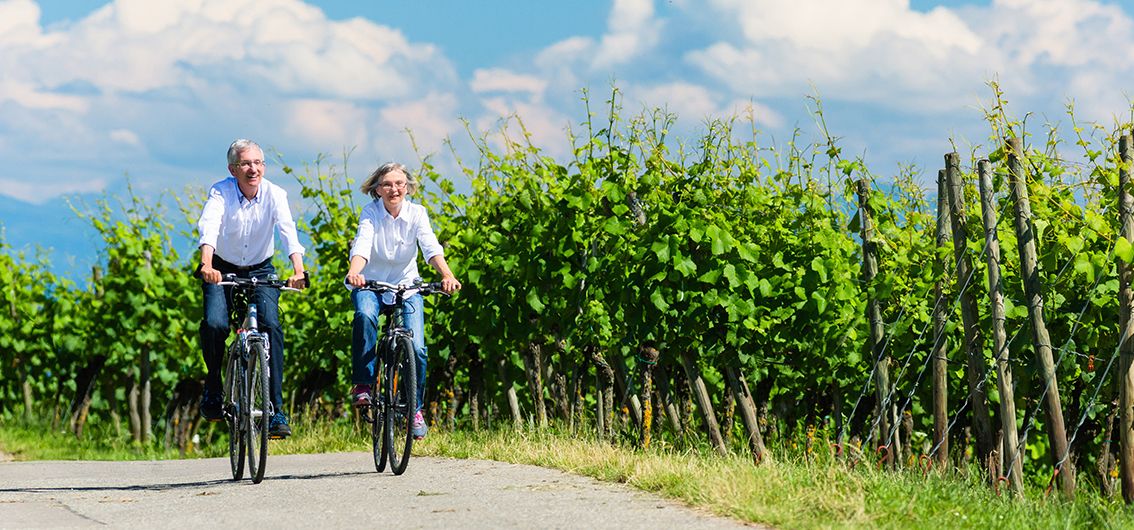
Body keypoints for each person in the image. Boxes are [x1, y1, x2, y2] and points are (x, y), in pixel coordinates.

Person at [197, 138, 308, 438]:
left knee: (271, 325)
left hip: (261, 267)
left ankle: (275, 410)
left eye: (258, 163)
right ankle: (214, 386)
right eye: (246, 163)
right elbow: (210, 225)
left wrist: (298, 270)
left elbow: (287, 230)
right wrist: (207, 265)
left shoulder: (276, 194)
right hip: (221, 266)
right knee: (215, 323)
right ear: (233, 169)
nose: (253, 169)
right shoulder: (220, 191)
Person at [345, 162, 460, 440]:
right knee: (364, 316)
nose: (394, 189)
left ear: (407, 187)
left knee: (417, 348)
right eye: (387, 184)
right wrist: (354, 272)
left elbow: (430, 247)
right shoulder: (370, 213)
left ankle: (414, 410)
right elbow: (362, 243)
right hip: (371, 284)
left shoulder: (417, 213)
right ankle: (364, 383)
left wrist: (447, 274)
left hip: (407, 286)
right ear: (377, 189)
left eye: (399, 184)